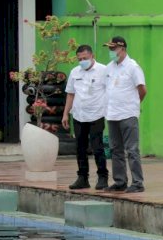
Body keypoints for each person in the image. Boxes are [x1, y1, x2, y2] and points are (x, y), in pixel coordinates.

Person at [103, 36, 147, 193]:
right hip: (112, 114)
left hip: (128, 114)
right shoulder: (109, 67)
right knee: (116, 149)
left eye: (113, 48)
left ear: (122, 49)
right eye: (109, 49)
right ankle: (120, 181)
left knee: (132, 149)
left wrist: (134, 105)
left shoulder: (133, 67)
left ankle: (137, 182)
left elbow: (142, 90)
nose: (111, 51)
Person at [62, 45, 109, 190]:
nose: (82, 61)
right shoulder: (75, 72)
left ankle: (102, 177)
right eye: (79, 59)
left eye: (85, 58)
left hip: (97, 114)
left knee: (97, 147)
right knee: (80, 147)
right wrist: (65, 114)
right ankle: (82, 177)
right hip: (79, 115)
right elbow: (70, 94)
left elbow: (110, 91)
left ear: (92, 56)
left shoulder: (103, 71)